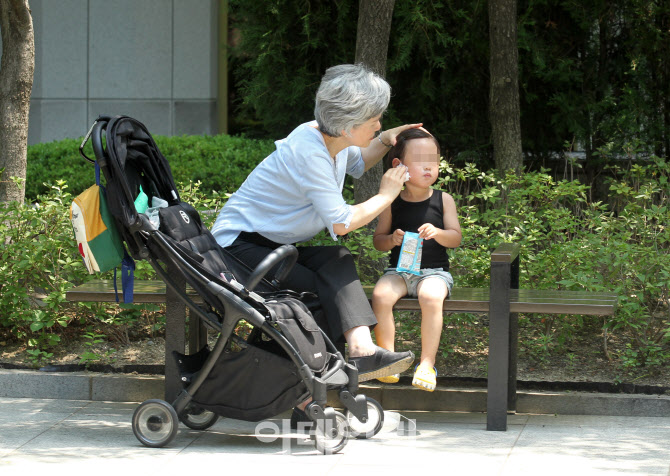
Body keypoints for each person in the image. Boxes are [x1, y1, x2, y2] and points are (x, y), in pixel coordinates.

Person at [211, 64, 419, 385]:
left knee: (336, 260)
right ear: (348, 127)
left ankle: (362, 351)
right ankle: (312, 389)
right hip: (237, 250)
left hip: (272, 247)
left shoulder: (331, 136)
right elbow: (342, 222)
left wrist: (386, 140)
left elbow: (360, 161)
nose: (379, 124)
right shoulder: (309, 152)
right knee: (319, 292)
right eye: (374, 120)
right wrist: (387, 195)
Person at [370, 128, 462, 392]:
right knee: (381, 295)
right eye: (422, 161)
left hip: (434, 273)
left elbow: (455, 238)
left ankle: (427, 363)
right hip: (399, 271)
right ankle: (387, 358)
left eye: (433, 161)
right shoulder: (391, 201)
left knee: (432, 297)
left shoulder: (443, 200)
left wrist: (439, 233)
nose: (429, 167)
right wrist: (392, 240)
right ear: (399, 166)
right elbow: (378, 241)